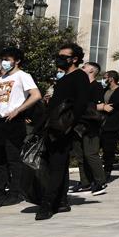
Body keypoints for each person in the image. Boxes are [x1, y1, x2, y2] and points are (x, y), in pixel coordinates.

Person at [37, 42, 92, 220]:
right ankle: (61, 201)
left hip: (63, 128)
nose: (59, 59)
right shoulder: (63, 78)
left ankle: (47, 205)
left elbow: (81, 103)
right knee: (56, 165)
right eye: (59, 56)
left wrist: (68, 126)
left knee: (57, 166)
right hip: (52, 127)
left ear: (74, 59)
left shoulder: (80, 76)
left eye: (64, 57)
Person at [0, 47, 41, 208]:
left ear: (17, 61)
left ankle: (16, 192)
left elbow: (36, 95)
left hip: (14, 121)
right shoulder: (0, 79)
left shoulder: (23, 76)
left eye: (8, 59)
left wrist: (18, 110)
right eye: (3, 59)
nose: (4, 62)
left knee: (13, 158)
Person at [71, 62, 108, 196]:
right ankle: (85, 182)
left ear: (92, 70)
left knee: (91, 154)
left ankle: (100, 182)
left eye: (84, 67)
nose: (82, 68)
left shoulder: (96, 87)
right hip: (77, 125)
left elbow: (100, 106)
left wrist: (82, 106)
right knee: (80, 155)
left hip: (90, 126)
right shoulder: (81, 86)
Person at [100, 70, 119, 178]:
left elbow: (114, 106)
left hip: (112, 123)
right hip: (102, 122)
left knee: (109, 149)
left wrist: (106, 106)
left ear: (111, 78)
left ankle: (107, 170)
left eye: (105, 77)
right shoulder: (105, 90)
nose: (104, 79)